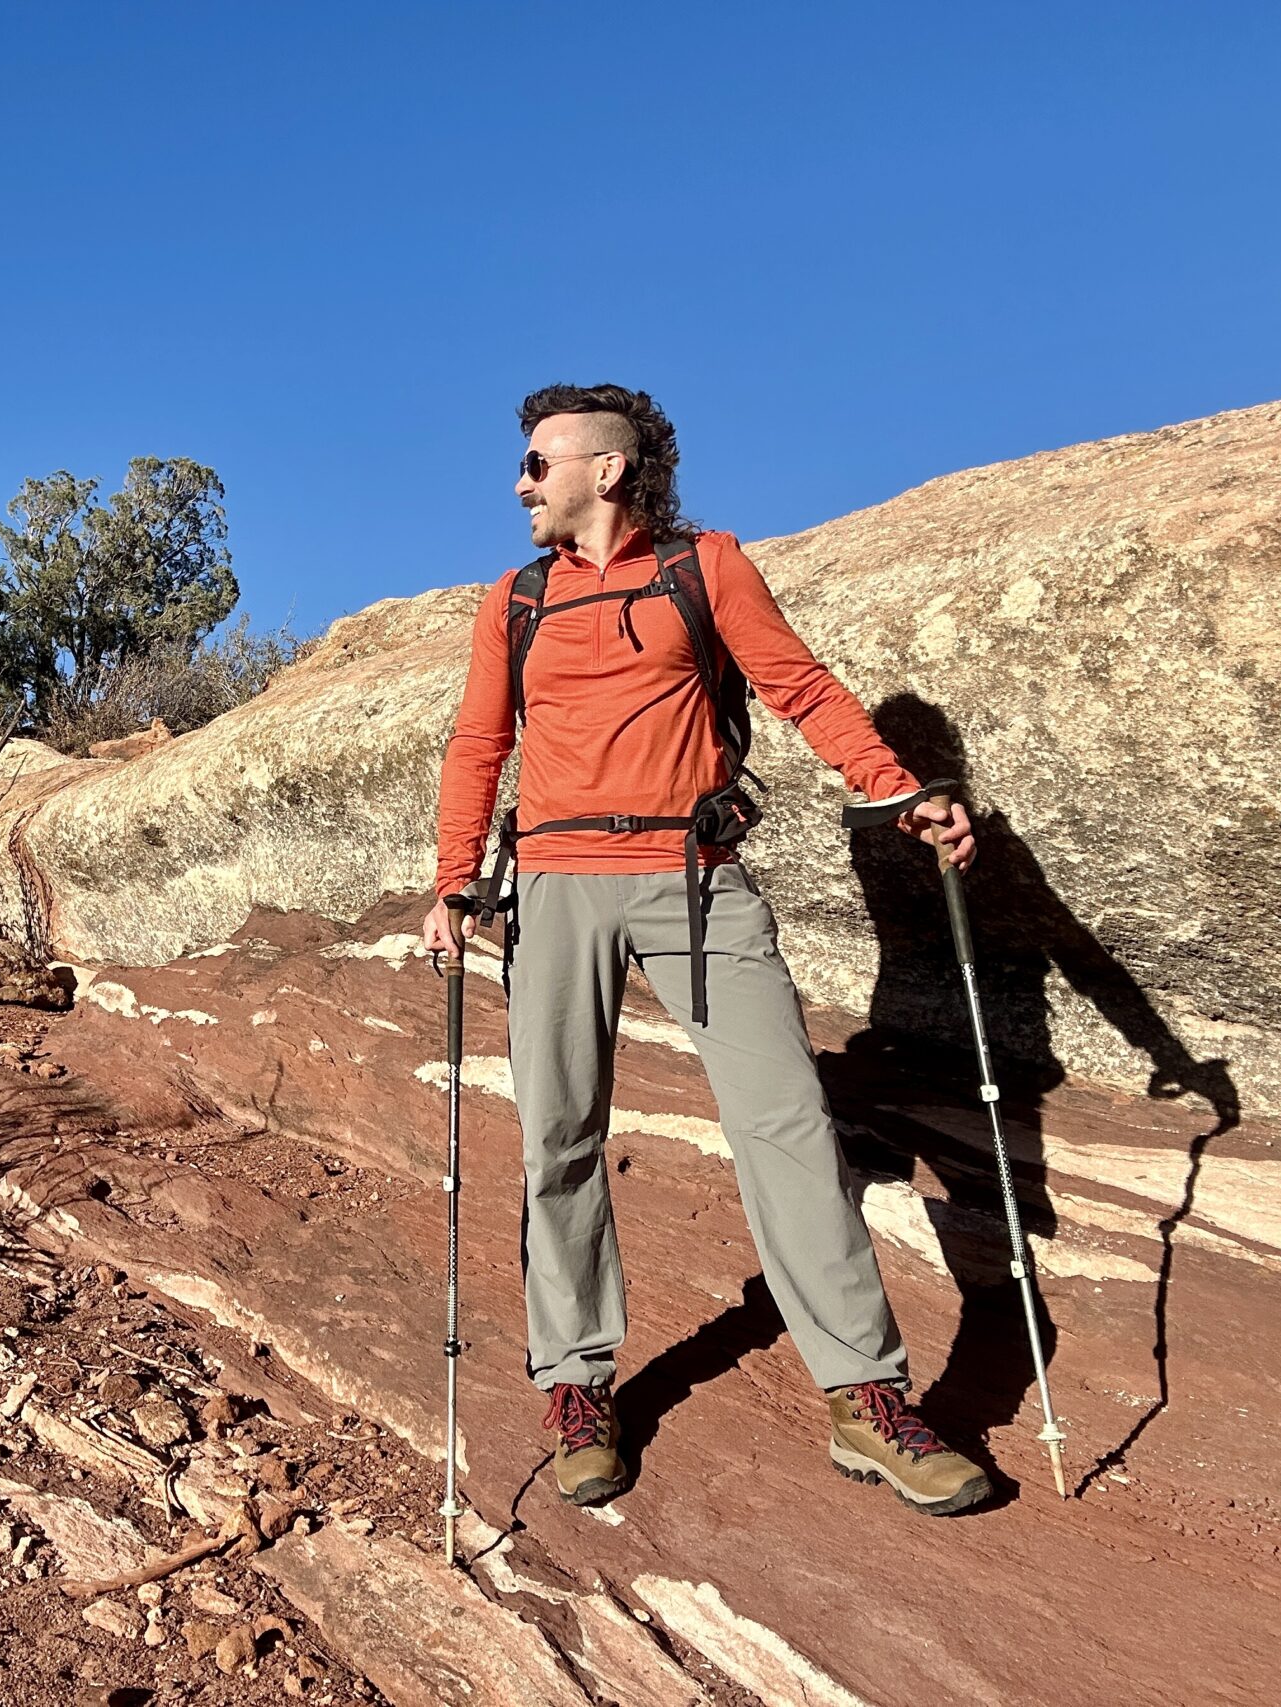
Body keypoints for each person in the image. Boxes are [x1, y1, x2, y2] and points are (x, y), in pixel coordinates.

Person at [421, 383, 991, 1516]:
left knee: (785, 1125)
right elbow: (477, 743)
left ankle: (863, 1399)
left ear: (608, 469)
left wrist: (896, 789)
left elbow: (798, 689)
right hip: (554, 885)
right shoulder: (515, 601)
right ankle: (578, 1386)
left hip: (696, 880)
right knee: (558, 1137)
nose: (521, 482)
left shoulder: (705, 568)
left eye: (539, 462)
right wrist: (450, 885)